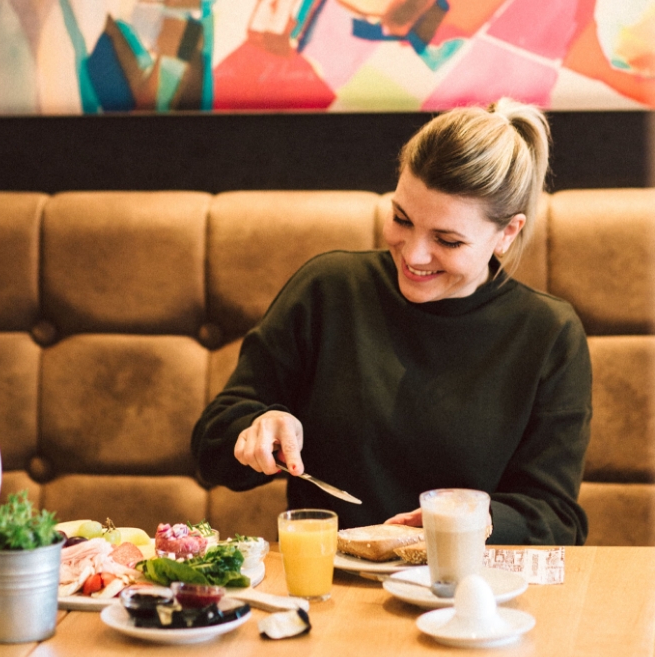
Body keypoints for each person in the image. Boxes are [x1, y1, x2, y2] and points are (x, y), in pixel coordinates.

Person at [191, 98, 592, 545]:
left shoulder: (548, 333)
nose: (415, 255)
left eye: (448, 240)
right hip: (331, 587)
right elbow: (211, 446)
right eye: (402, 218)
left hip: (468, 594)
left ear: (507, 233)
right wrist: (256, 427)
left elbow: (557, 519)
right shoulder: (329, 289)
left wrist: (476, 520)